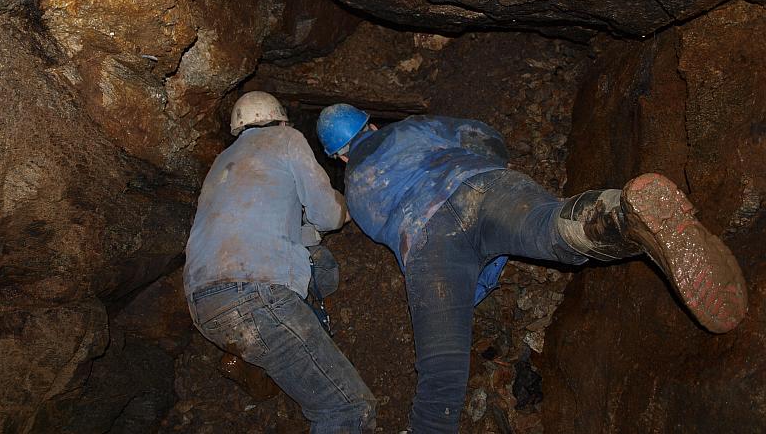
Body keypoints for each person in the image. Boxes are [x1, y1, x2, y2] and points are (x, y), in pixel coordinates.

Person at [316, 104, 748, 434]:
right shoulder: (411, 128)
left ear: (339, 155)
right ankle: (620, 216)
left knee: (441, 368)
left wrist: (474, 281)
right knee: (550, 230)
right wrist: (492, 164)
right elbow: (481, 135)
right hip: (481, 185)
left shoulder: (355, 190)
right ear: (369, 124)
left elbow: (388, 236)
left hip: (428, 240)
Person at [184, 92, 376, 433]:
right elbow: (327, 215)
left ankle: (263, 358)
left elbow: (264, 229)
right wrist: (349, 207)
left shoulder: (220, 164)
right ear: (281, 119)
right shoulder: (286, 139)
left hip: (203, 306)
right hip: (257, 296)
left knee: (317, 259)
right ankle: (295, 340)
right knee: (347, 408)